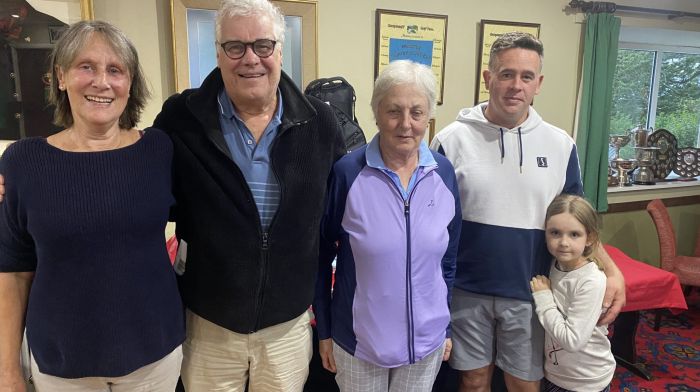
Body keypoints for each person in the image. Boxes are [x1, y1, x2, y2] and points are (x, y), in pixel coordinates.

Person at [151, 0, 346, 390]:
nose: (250, 59)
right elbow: (137, 182)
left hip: (286, 328)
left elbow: (347, 203)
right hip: (208, 325)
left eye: (262, 45)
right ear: (219, 53)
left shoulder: (320, 122)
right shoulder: (181, 117)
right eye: (235, 47)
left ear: (279, 49)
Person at [429, 31, 625, 391]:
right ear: (488, 78)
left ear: (539, 84)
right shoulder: (450, 139)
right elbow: (431, 224)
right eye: (506, 74)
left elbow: (578, 225)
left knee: (524, 383)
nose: (515, 85)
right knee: (473, 382)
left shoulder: (560, 144)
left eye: (526, 76)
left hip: (533, 289)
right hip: (466, 289)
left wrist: (612, 271)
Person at [0, 20, 184, 392]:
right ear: (61, 77)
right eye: (87, 67)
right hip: (63, 365)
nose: (102, 82)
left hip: (154, 358)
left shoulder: (159, 150)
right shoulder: (22, 162)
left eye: (115, 70)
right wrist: (7, 370)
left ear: (129, 84)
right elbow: (13, 272)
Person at [313, 60, 461, 391]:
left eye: (417, 112)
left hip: (426, 345)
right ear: (376, 113)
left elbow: (448, 262)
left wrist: (446, 327)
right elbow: (320, 257)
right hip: (359, 346)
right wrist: (324, 329)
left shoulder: (444, 174)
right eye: (394, 111)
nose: (405, 124)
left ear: (429, 116)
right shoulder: (347, 173)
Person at [530, 194, 615, 392]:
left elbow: (572, 340)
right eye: (555, 233)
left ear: (590, 238)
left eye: (574, 234)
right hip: (557, 374)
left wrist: (544, 298)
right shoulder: (552, 266)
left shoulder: (591, 280)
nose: (564, 242)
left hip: (587, 380)